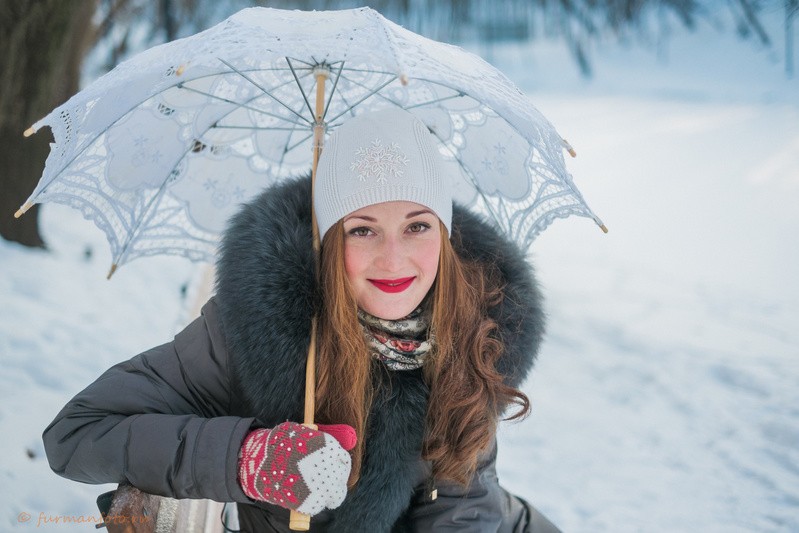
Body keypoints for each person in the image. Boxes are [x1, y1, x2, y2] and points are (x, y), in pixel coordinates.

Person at [43, 109, 559, 532]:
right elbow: (76, 435)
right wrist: (246, 460)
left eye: (417, 226)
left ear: (444, 239)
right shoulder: (253, 334)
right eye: (362, 230)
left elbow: (463, 506)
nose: (394, 258)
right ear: (329, 242)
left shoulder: (473, 332)